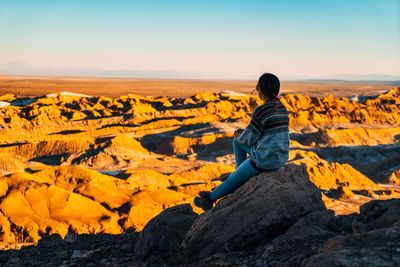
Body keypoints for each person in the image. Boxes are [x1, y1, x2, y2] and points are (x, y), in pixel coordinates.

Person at [194, 73, 290, 211]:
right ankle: (241, 174)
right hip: (281, 158)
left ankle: (208, 199)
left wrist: (239, 134)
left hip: (265, 159)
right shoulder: (282, 109)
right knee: (239, 142)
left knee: (233, 172)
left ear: (260, 90)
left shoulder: (262, 110)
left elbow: (249, 138)